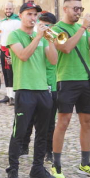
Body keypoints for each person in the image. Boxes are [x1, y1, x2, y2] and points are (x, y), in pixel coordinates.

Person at [51, 0, 90, 178]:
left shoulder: (83, 30)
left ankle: (85, 163)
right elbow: (65, 47)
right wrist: (83, 27)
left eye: (81, 9)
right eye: (75, 9)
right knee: (63, 122)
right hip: (66, 80)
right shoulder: (56, 29)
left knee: (87, 122)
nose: (79, 12)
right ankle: (56, 165)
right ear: (65, 9)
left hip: (85, 81)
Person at [5, 2, 58, 178]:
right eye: (29, 14)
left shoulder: (42, 38)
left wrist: (49, 40)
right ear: (21, 16)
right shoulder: (15, 35)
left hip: (43, 90)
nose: (33, 18)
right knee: (19, 133)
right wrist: (38, 38)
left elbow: (53, 60)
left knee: (43, 133)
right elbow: (23, 55)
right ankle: (13, 170)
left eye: (35, 15)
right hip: (25, 90)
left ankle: (37, 168)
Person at [20, 12, 58, 163]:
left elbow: (55, 60)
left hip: (51, 84)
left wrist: (51, 40)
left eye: (48, 26)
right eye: (42, 24)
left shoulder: (52, 39)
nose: (45, 28)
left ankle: (49, 151)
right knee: (28, 118)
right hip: (35, 84)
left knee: (49, 122)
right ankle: (24, 147)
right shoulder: (33, 39)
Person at [0, 2, 21, 106]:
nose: (8, 11)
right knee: (5, 73)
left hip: (11, 50)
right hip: (2, 48)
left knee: (11, 73)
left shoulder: (17, 22)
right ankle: (8, 95)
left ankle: (13, 96)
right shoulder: (2, 22)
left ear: (13, 9)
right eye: (6, 9)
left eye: (10, 9)